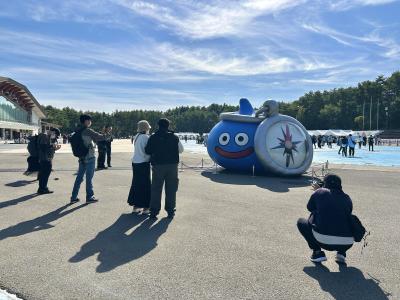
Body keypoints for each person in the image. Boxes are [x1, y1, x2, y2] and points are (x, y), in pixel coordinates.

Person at [297, 174, 354, 264]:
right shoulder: (347, 198)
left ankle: (317, 253)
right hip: (346, 242)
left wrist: (318, 192)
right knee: (342, 219)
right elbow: (349, 212)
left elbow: (310, 207)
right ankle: (341, 254)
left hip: (323, 241)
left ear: (324, 184)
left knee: (301, 222)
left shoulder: (319, 192)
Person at [145, 118, 184, 219]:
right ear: (168, 126)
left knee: (156, 189)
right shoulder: (174, 137)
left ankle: (154, 212)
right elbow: (181, 150)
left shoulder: (153, 137)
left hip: (158, 166)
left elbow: (148, 151)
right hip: (172, 166)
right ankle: (170, 211)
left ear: (158, 125)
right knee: (171, 189)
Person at [70, 114, 108, 204]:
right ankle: (89, 196)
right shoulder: (87, 130)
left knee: (79, 178)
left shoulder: (77, 130)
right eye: (89, 120)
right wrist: (106, 133)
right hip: (89, 157)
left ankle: (73, 197)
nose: (90, 122)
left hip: (81, 157)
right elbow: (101, 137)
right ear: (86, 121)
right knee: (89, 178)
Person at [128, 120, 152, 214]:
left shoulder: (136, 136)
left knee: (136, 184)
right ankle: (146, 207)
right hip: (143, 162)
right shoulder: (146, 137)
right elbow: (148, 151)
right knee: (146, 185)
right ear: (146, 128)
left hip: (135, 162)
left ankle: (136, 206)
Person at [37, 128, 61, 194]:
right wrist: (52, 146)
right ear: (53, 132)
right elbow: (43, 148)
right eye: (56, 135)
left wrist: (55, 148)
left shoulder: (47, 136)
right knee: (45, 174)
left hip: (45, 158)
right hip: (45, 159)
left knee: (44, 174)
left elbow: (47, 148)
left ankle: (42, 188)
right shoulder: (44, 136)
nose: (55, 137)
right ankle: (43, 188)